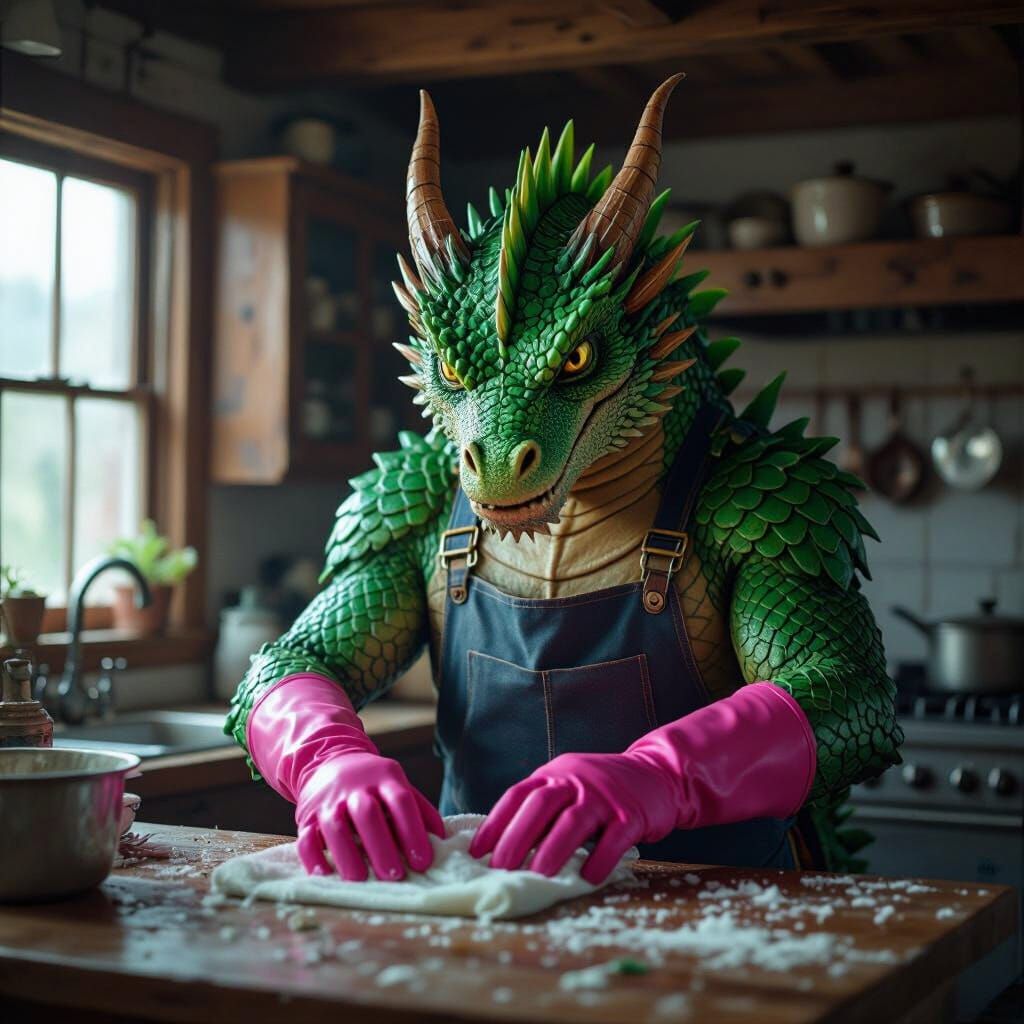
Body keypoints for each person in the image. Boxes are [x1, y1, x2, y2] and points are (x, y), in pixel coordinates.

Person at [226, 77, 902, 884]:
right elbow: (289, 664)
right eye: (457, 371)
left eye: (572, 363)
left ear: (639, 332)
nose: (494, 444)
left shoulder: (747, 499)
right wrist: (327, 762)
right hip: (478, 912)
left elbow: (846, 698)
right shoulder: (420, 496)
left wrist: (662, 775)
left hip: (724, 914)